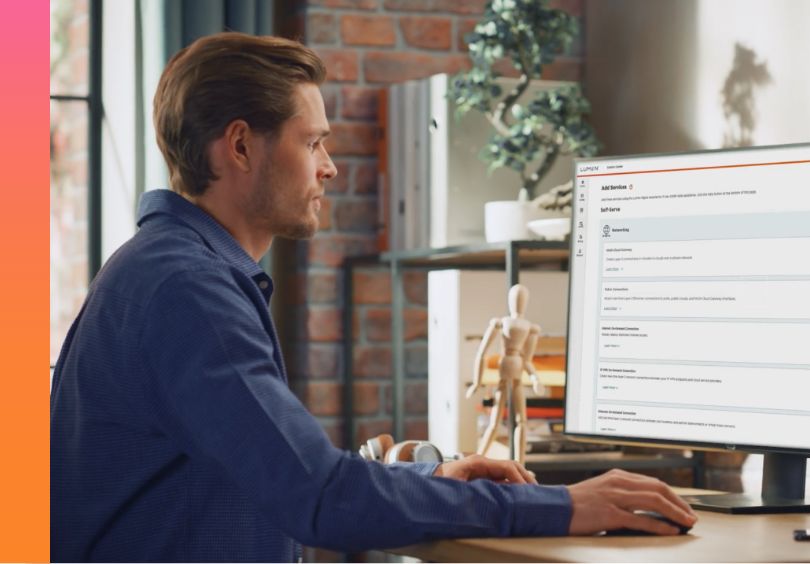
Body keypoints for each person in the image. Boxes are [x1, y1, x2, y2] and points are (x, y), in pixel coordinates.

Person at [49, 32, 696, 562]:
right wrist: (563, 505)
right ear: (242, 146)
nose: (330, 166)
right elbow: (320, 496)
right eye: (314, 142)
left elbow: (292, 475)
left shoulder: (168, 269)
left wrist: (428, 481)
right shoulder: (188, 290)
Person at [466, 284, 543, 464]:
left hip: (517, 372)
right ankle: (478, 458)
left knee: (521, 420)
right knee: (495, 420)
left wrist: (534, 377)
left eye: (521, 298)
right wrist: (477, 383)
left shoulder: (530, 328)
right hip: (504, 370)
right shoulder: (501, 322)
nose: (518, 302)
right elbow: (482, 352)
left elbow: (527, 360)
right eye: (516, 297)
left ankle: (520, 464)